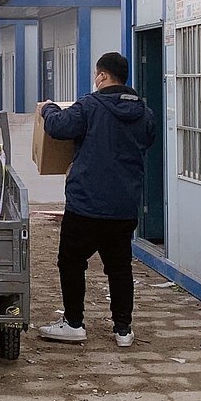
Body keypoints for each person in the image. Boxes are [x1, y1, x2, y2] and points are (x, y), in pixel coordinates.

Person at [36, 51, 155, 347]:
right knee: (119, 265)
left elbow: (58, 127)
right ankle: (123, 329)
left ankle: (74, 323)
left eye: (96, 75)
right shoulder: (145, 112)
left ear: (102, 76)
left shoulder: (90, 105)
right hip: (124, 206)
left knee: (71, 261)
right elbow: (146, 141)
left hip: (86, 204)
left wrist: (47, 108)